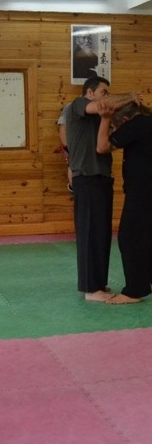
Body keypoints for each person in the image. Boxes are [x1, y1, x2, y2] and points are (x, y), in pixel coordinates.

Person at [66, 76, 141, 302]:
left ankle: (98, 283)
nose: (106, 97)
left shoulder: (101, 118)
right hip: (86, 177)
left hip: (102, 178)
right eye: (103, 92)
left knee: (101, 234)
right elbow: (102, 106)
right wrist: (130, 96)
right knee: (90, 233)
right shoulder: (78, 104)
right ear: (90, 92)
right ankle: (91, 289)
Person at [96, 102, 152, 304]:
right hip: (145, 188)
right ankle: (147, 281)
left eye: (116, 126)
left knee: (129, 237)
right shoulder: (148, 122)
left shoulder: (136, 124)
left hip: (143, 189)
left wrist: (105, 119)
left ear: (125, 120)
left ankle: (134, 290)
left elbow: (102, 147)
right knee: (146, 236)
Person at [56, 102, 73, 192]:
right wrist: (67, 148)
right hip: (73, 146)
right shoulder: (70, 107)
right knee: (73, 165)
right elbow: (62, 128)